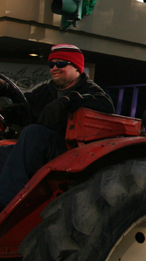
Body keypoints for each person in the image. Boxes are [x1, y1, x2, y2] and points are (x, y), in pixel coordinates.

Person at [0, 44, 114, 209]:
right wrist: (6, 90)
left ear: (77, 68)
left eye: (61, 64)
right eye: (51, 64)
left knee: (33, 133)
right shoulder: (46, 90)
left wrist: (69, 100)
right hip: (41, 145)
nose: (55, 68)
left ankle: (5, 203)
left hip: (69, 150)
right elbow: (25, 107)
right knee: (3, 151)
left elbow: (105, 105)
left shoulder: (90, 90)